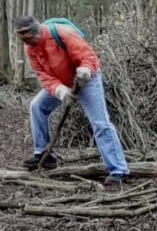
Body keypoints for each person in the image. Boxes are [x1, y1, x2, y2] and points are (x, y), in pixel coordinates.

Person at [14, 15, 130, 191]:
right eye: (21, 35)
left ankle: (118, 170)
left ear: (35, 30)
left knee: (100, 123)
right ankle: (44, 154)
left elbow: (88, 56)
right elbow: (43, 75)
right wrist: (60, 91)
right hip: (62, 82)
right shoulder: (30, 49)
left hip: (87, 80)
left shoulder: (62, 33)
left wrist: (85, 70)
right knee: (37, 106)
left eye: (26, 34)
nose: (25, 39)